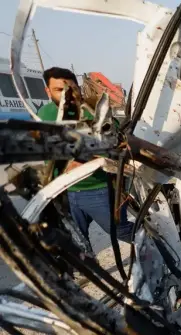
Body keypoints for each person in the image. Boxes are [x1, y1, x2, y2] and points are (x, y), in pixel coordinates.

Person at [36, 67, 133, 244]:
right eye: (59, 90)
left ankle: (161, 244)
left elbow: (119, 145)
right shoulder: (44, 114)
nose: (67, 95)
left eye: (72, 89)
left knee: (122, 231)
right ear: (47, 91)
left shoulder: (94, 110)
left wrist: (84, 160)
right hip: (63, 191)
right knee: (76, 241)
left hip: (99, 190)